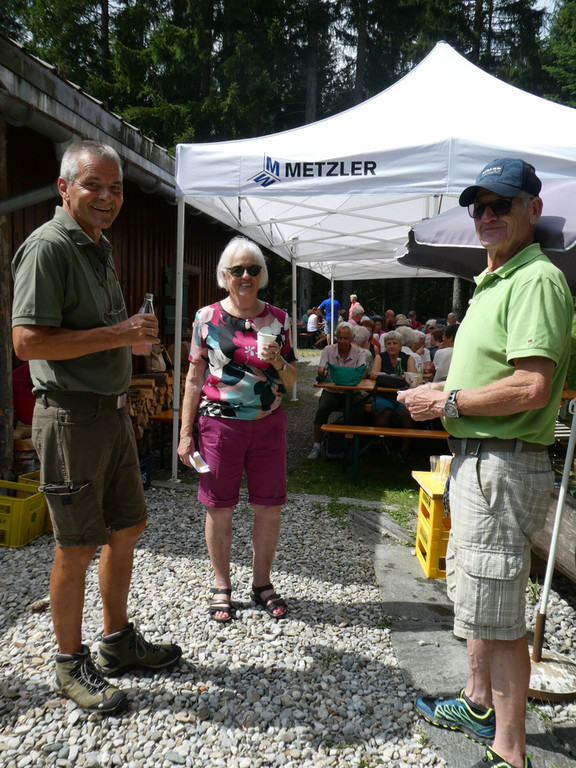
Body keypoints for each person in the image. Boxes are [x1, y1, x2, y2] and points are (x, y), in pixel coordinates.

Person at [397, 158, 573, 768]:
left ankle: (510, 751)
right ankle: (478, 704)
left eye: (502, 203)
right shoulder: (496, 278)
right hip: (479, 460)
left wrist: (445, 399)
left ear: (533, 209)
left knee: (500, 616)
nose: (488, 215)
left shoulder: (535, 281)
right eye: (479, 206)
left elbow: (531, 388)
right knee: (478, 596)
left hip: (502, 464)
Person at [11, 140, 182, 715]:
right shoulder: (47, 248)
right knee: (77, 543)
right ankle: (68, 664)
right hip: (69, 415)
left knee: (127, 527)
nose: (108, 198)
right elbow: (27, 341)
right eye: (94, 186)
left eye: (116, 188)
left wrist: (129, 336)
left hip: (110, 413)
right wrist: (116, 336)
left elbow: (94, 327)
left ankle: (115, 643)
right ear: (65, 188)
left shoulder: (98, 246)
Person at [177, 236, 297, 624]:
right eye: (237, 270)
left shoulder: (278, 319)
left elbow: (293, 379)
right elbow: (193, 378)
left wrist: (278, 360)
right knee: (219, 507)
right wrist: (185, 433)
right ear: (224, 275)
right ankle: (221, 584)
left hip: (267, 426)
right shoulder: (205, 318)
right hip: (219, 426)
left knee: (268, 507)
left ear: (261, 275)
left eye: (253, 269)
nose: (245, 276)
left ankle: (261, 584)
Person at [308, 322, 367, 459]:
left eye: (345, 338)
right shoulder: (328, 350)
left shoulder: (360, 352)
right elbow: (321, 370)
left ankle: (354, 445)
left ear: (352, 339)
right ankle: (316, 446)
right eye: (339, 337)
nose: (342, 341)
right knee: (322, 408)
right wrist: (348, 375)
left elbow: (362, 374)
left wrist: (336, 374)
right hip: (332, 392)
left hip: (353, 392)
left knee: (360, 409)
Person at [369, 331, 416, 456]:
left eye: (394, 343)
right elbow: (373, 374)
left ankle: (405, 448)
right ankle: (379, 444)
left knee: (406, 413)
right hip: (383, 395)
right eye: (388, 343)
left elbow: (412, 377)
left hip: (402, 397)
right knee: (382, 411)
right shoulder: (380, 357)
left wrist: (386, 377)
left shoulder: (408, 358)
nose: (391, 346)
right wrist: (392, 376)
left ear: (400, 345)